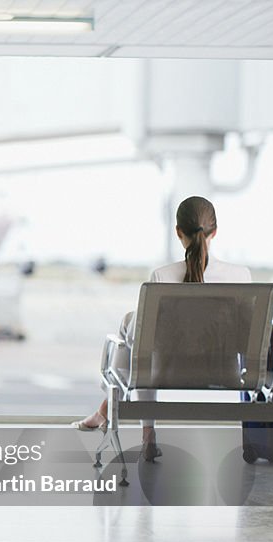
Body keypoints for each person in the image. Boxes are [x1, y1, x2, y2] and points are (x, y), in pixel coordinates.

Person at [72, 195, 251, 460]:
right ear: (215, 231)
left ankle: (135, 425)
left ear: (178, 232)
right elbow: (248, 335)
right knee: (136, 328)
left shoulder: (162, 277)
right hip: (226, 374)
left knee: (133, 329)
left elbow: (139, 342)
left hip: (165, 373)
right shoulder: (241, 276)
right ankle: (108, 410)